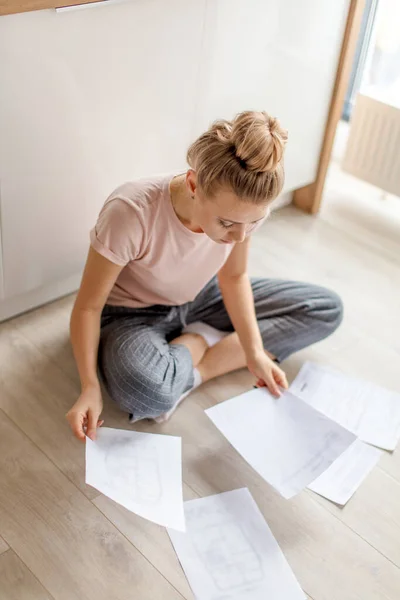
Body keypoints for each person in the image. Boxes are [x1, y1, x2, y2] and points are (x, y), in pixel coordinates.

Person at [66, 111, 343, 441]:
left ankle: (196, 362)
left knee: (325, 308)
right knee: (147, 394)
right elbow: (87, 308)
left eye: (253, 223)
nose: (240, 237)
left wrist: (254, 351)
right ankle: (202, 339)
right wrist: (89, 387)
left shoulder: (243, 212)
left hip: (200, 293)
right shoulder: (131, 212)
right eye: (227, 224)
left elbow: (235, 276)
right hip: (134, 315)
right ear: (194, 184)